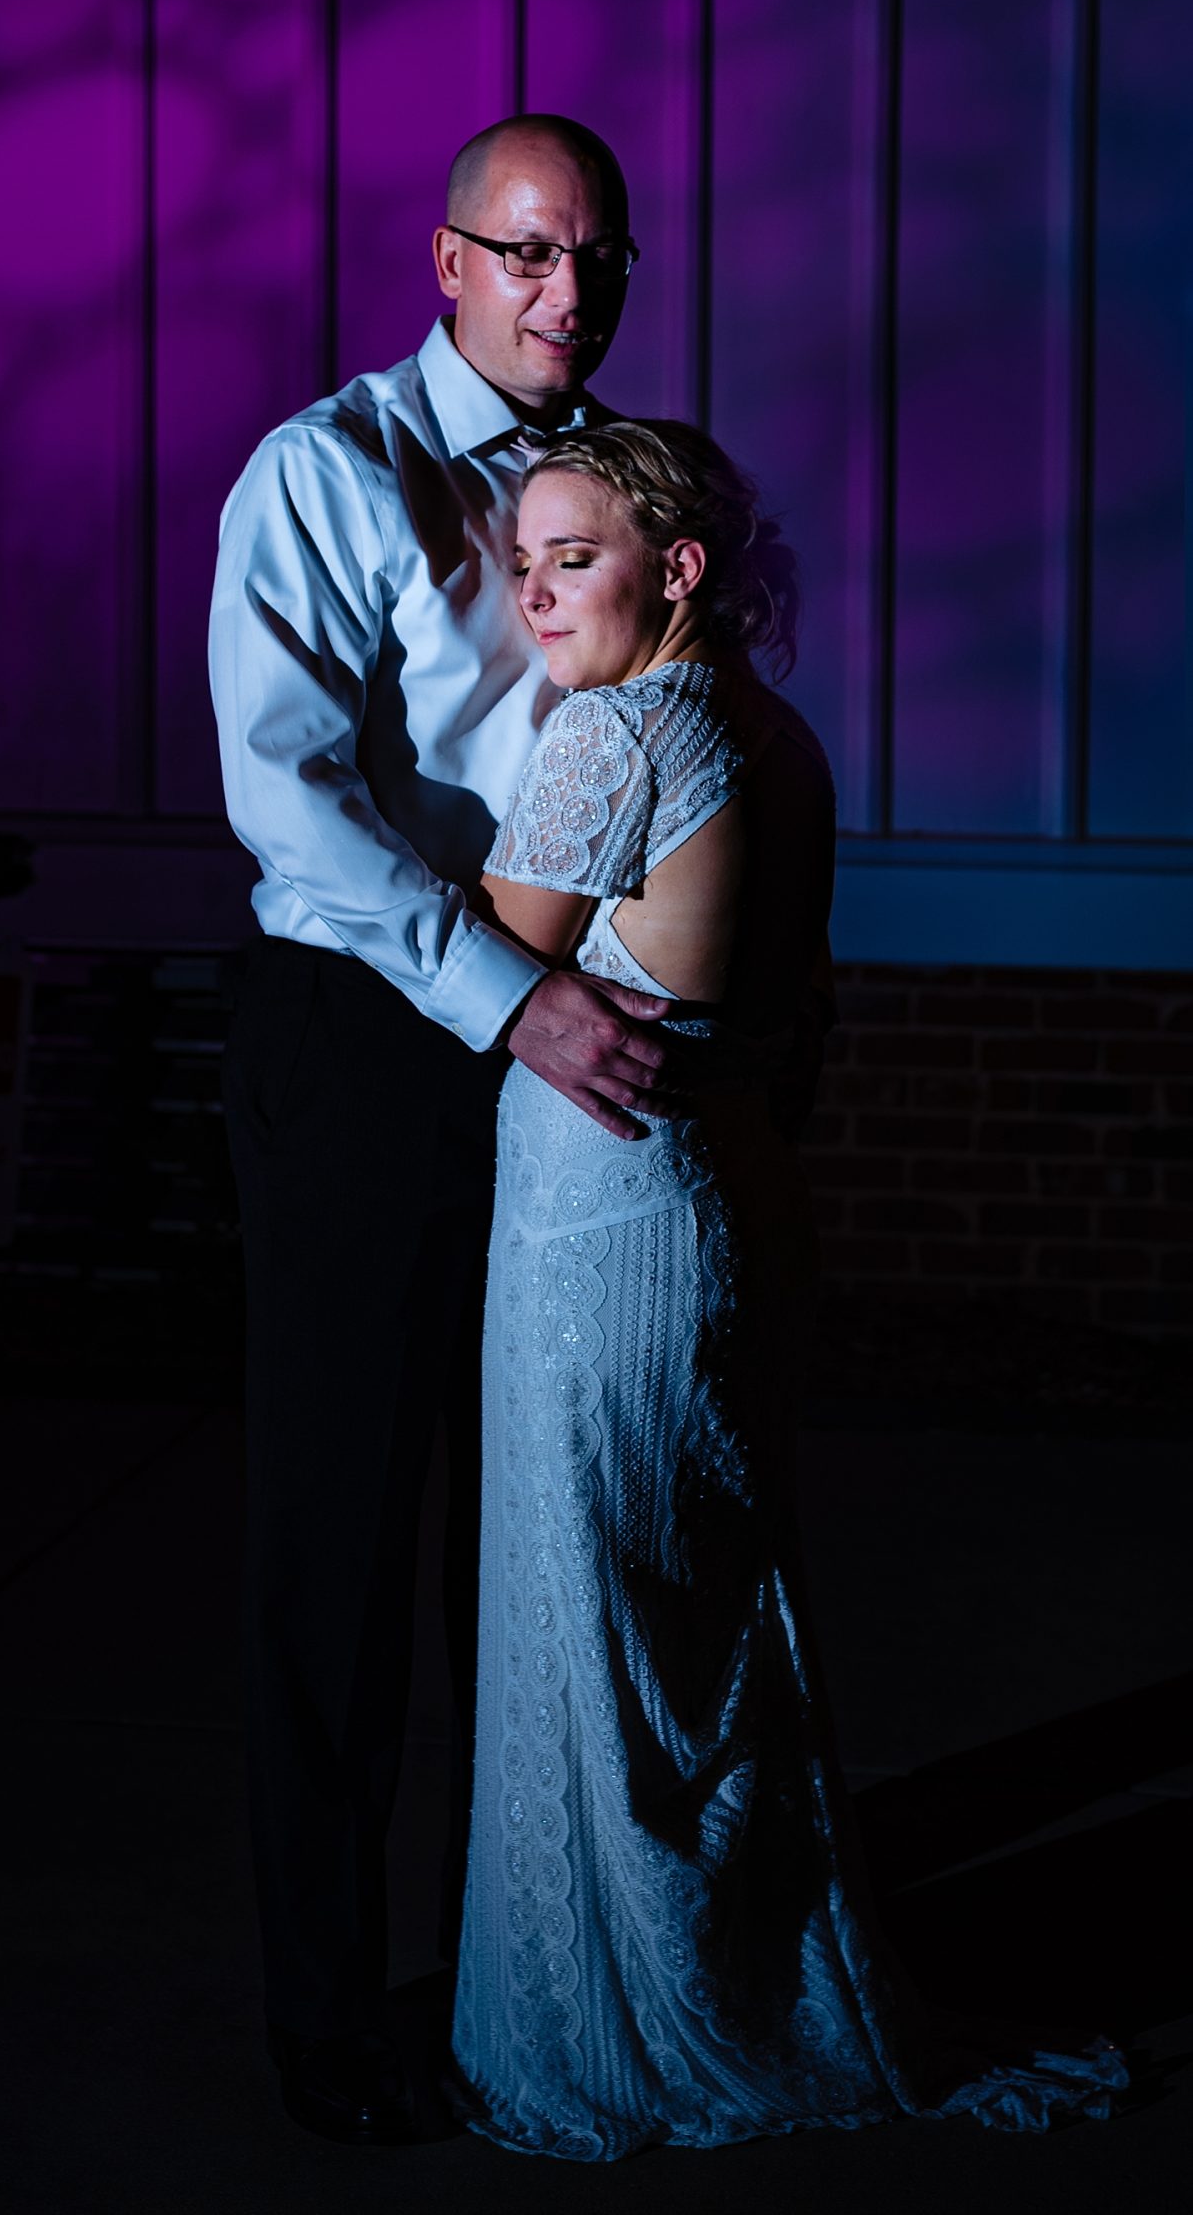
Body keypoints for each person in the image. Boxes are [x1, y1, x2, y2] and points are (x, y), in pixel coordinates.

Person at [453, 419, 1127, 2155]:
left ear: (675, 571)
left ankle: (644, 2028)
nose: (532, 590)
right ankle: (748, 1972)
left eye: (572, 555)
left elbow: (485, 964)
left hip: (599, 1245)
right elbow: (797, 1018)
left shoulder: (609, 739)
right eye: (520, 558)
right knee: (711, 1625)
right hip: (730, 1209)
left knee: (607, 1646)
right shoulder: (776, 735)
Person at [210, 115, 677, 2145]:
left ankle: (547, 1966)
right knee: (345, 1544)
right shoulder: (321, 471)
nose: (571, 292)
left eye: (601, 257)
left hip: (579, 1032)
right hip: (377, 1034)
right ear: (446, 259)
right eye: (531, 253)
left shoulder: (630, 471)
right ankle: (328, 2017)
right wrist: (513, 999)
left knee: (568, 1532)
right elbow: (294, 807)